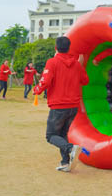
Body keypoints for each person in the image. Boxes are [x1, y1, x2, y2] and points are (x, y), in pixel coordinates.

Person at [33, 36, 89, 173]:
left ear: (56, 48)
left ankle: (71, 149)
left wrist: (36, 90)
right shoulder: (76, 64)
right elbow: (85, 80)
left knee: (51, 136)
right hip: (73, 107)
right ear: (69, 48)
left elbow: (45, 81)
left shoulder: (52, 62)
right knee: (63, 134)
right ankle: (65, 162)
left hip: (59, 106)